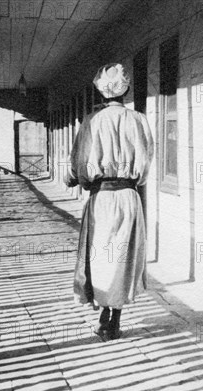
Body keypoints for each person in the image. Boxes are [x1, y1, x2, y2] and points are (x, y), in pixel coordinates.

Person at [65, 63, 154, 340]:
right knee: (124, 257)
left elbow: (79, 164)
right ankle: (115, 316)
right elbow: (145, 163)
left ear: (101, 92)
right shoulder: (138, 119)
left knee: (102, 256)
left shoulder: (91, 121)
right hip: (128, 196)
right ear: (125, 90)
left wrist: (77, 179)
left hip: (102, 197)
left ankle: (105, 314)